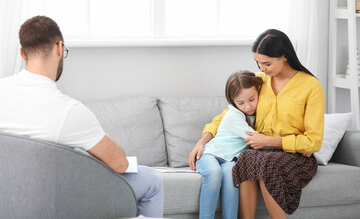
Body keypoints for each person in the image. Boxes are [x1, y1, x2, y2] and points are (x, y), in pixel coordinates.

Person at [0, 16, 164, 217]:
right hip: (63, 198)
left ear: (22, 53)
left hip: (11, 199)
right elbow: (120, 163)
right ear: (59, 48)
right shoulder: (69, 111)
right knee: (152, 181)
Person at [189, 29, 324, 219]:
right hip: (261, 152)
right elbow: (227, 115)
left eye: (266, 63)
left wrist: (269, 141)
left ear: (284, 56)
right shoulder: (260, 80)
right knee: (247, 159)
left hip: (295, 156)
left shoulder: (311, 86)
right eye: (258, 62)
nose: (261, 68)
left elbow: (313, 142)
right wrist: (201, 142)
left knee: (265, 162)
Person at [194, 70, 263, 219]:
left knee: (232, 176)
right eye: (240, 103)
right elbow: (256, 139)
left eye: (251, 99)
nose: (247, 107)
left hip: (230, 159)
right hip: (210, 154)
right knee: (213, 173)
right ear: (233, 102)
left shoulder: (259, 113)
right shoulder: (233, 115)